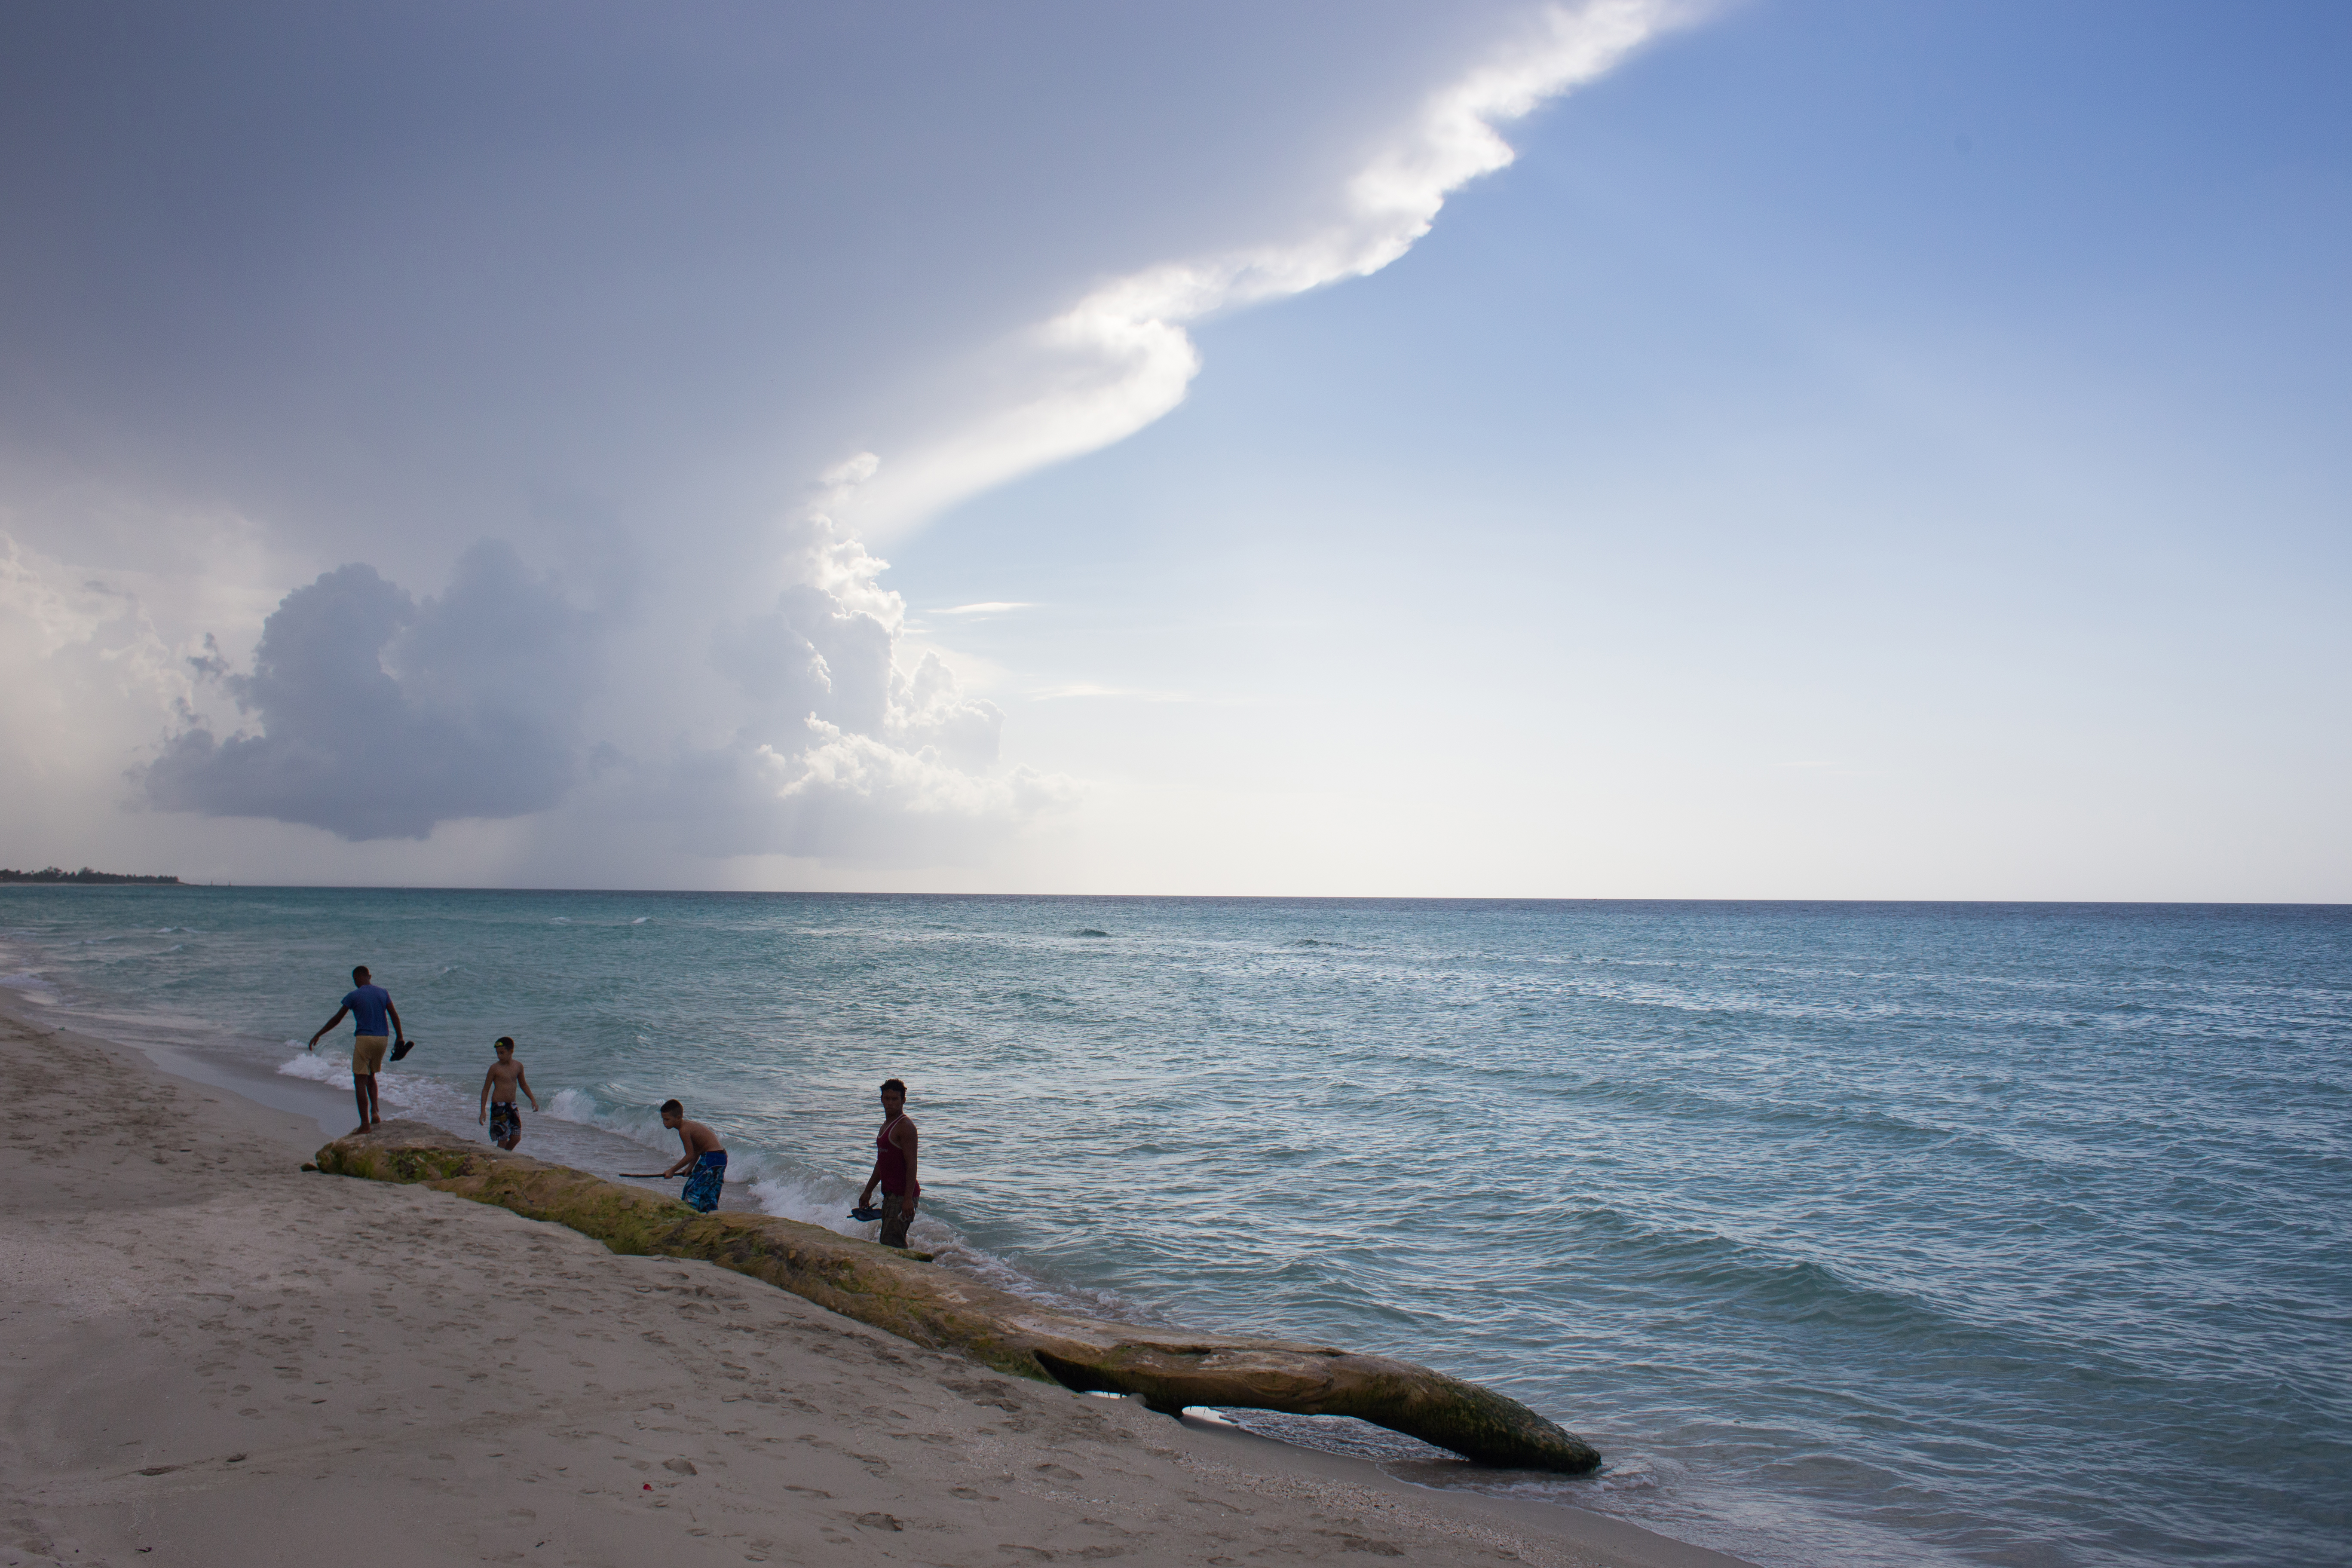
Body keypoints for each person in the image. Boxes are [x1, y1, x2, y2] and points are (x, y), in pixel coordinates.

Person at [307, 964, 403, 1136]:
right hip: (383, 1040)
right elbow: (394, 1016)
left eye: (355, 979)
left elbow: (337, 1018)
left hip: (365, 1039)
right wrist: (400, 1038)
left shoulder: (353, 996)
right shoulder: (383, 993)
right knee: (371, 1076)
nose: (355, 982)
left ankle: (365, 1124)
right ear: (370, 977)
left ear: (357, 978)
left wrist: (319, 1034)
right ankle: (375, 1112)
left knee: (359, 1080)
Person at [856, 1078, 920, 1249]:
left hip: (902, 1197)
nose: (890, 1103)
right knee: (888, 1242)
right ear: (882, 1099)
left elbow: (912, 1165)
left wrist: (908, 1200)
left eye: (895, 1100)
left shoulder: (905, 1127)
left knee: (893, 1244)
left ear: (903, 1101)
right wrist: (868, 1191)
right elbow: (882, 1162)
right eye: (887, 1099)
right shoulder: (886, 1125)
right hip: (890, 1196)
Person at [650, 1100, 727, 1213]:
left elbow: (690, 1155)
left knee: (691, 1191)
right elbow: (698, 1149)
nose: (664, 1123)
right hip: (721, 1157)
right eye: (663, 1119)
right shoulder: (688, 1126)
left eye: (667, 1119)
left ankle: (689, 1217)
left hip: (712, 1158)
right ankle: (711, 1216)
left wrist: (672, 1170)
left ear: (678, 1117)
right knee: (709, 1193)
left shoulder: (684, 1130)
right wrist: (690, 1168)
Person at [477, 1035, 539, 1151]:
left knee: (516, 1137)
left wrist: (533, 1100)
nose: (499, 1056)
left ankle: (506, 1155)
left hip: (512, 1105)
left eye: (502, 1053)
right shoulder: (494, 1068)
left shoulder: (518, 1066)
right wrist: (483, 1111)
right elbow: (486, 1090)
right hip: (499, 1107)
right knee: (503, 1139)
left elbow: (523, 1085)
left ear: (511, 1052)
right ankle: (500, 1159)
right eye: (497, 1053)